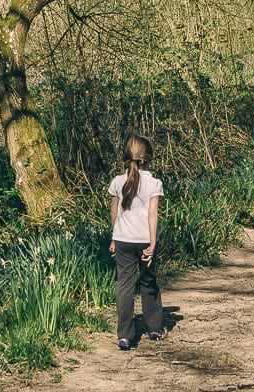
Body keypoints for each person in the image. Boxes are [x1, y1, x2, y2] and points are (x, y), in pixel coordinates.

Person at [108, 134, 164, 350]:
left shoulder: (117, 181)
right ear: (148, 158)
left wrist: (114, 237)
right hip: (144, 239)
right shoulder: (154, 182)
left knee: (125, 285)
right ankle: (154, 328)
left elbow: (114, 212)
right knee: (148, 281)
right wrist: (152, 243)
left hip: (123, 239)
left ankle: (124, 335)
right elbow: (153, 215)